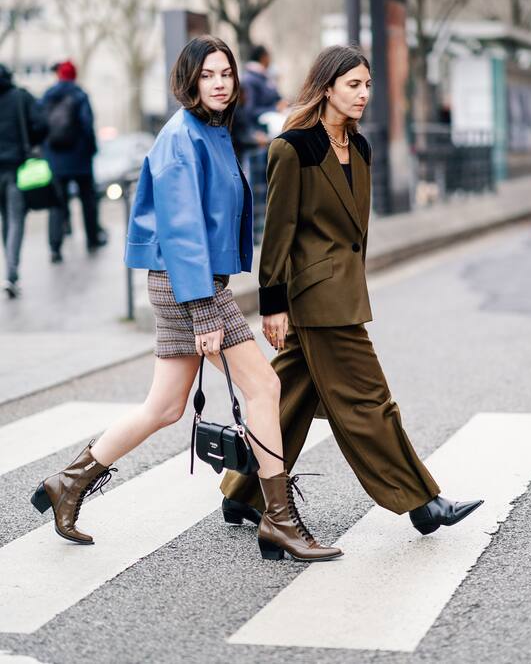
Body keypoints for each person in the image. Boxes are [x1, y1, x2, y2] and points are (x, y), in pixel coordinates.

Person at [30, 36, 341, 563]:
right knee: (264, 385)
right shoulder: (182, 137)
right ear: (189, 82)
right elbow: (181, 230)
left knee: (166, 405)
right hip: (186, 285)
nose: (220, 83)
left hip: (193, 283)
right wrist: (202, 311)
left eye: (226, 73)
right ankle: (279, 520)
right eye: (208, 76)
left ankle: (69, 481)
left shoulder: (212, 130)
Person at [221, 45, 483, 537]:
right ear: (326, 88)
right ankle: (422, 502)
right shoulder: (293, 148)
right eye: (353, 85)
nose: (364, 94)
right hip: (316, 298)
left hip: (342, 290)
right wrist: (273, 304)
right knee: (369, 399)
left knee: (291, 396)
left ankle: (244, 493)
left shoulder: (359, 147)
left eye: (367, 85)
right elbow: (278, 230)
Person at [42, 60, 106, 263]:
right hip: (80, 159)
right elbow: (87, 125)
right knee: (88, 200)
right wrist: (92, 149)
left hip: (56, 160)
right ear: (74, 75)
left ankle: (55, 247)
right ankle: (92, 239)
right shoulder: (80, 95)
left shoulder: (47, 96)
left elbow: (40, 125)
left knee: (56, 204)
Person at [0, 64, 48, 298]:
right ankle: (11, 274)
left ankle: (10, 271)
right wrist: (29, 140)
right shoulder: (21, 97)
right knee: (15, 219)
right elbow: (42, 124)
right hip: (17, 167)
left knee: (5, 219)